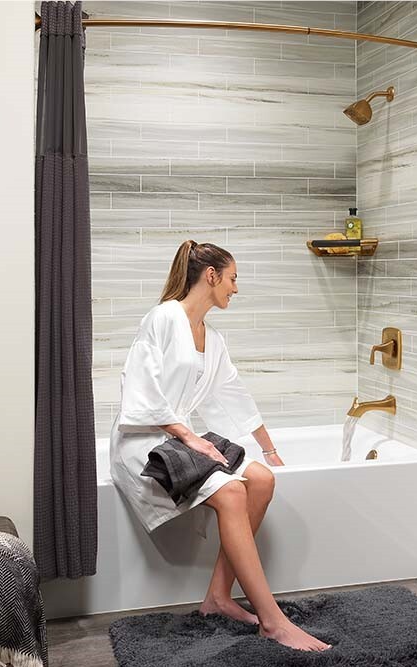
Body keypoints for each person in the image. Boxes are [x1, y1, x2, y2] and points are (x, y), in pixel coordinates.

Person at [109, 240, 331, 652]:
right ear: (211, 276)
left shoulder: (212, 340)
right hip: (144, 442)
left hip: (180, 437)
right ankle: (273, 622)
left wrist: (270, 450)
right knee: (231, 493)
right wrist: (190, 437)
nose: (236, 288)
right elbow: (139, 389)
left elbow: (234, 396)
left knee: (261, 480)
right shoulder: (163, 317)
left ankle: (218, 597)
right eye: (232, 278)